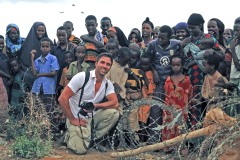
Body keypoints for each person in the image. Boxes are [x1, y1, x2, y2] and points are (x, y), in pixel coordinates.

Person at [58, 53, 119, 154]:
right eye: (102, 62)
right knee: (80, 150)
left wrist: (96, 106)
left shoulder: (107, 84)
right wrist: (73, 119)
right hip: (76, 117)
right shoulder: (82, 77)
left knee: (114, 113)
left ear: (110, 67)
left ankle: (92, 140)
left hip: (92, 117)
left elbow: (115, 103)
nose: (105, 66)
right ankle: (68, 136)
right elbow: (62, 98)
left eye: (108, 64)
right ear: (96, 63)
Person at [162, 54, 193, 142]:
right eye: (173, 65)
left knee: (180, 127)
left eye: (178, 65)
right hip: (168, 109)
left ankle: (179, 147)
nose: (175, 67)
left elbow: (190, 94)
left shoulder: (186, 79)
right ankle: (168, 146)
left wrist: (188, 105)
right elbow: (165, 93)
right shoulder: (168, 79)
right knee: (168, 126)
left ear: (182, 66)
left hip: (182, 109)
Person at [31, 37, 59, 131]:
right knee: (38, 110)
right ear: (40, 48)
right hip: (37, 89)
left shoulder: (53, 58)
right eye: (43, 46)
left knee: (49, 110)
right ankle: (38, 130)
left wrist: (40, 74)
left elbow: (53, 73)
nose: (45, 48)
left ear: (50, 48)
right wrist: (32, 58)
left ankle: (49, 131)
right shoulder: (37, 60)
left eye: (47, 46)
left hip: (48, 89)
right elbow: (34, 73)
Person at [0, 35, 12, 100]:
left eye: (2, 43)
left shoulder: (4, 54)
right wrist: (9, 76)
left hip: (6, 81)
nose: (1, 45)